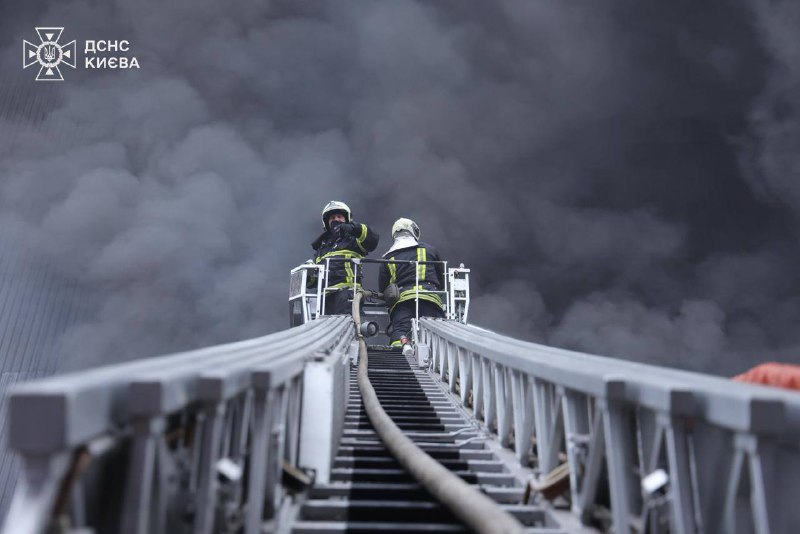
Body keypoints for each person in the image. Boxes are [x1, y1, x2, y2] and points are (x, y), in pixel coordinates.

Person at [378, 218, 445, 355]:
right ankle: (436, 359)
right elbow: (440, 279)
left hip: (402, 301)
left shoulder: (387, 257)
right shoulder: (429, 250)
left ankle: (401, 349)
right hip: (430, 298)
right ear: (413, 231)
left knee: (400, 330)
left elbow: (383, 288)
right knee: (435, 332)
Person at [311, 201, 379, 314]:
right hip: (325, 298)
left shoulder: (353, 240)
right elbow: (315, 279)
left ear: (346, 219)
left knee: (347, 328)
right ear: (326, 223)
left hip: (348, 295)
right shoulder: (321, 248)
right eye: (332, 217)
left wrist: (353, 228)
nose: (336, 219)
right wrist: (308, 276)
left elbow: (372, 239)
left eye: (339, 216)